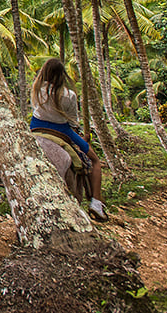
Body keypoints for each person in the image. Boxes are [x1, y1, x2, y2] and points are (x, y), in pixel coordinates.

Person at [30, 58, 108, 221]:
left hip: (35, 127)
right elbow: (72, 123)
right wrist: (83, 138)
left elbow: (35, 110)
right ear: (62, 75)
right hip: (61, 130)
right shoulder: (69, 95)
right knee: (95, 161)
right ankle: (96, 203)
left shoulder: (37, 89)